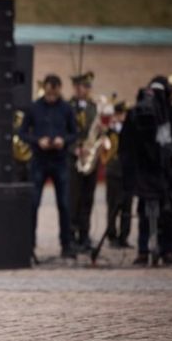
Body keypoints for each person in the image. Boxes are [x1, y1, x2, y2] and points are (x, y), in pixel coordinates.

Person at [19, 74, 77, 258]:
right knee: (34, 204)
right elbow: (22, 132)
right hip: (39, 161)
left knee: (64, 204)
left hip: (60, 160)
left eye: (54, 93)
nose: (51, 96)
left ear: (59, 89)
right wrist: (38, 141)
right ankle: (29, 247)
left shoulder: (67, 108)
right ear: (45, 89)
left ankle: (66, 246)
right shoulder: (34, 107)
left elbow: (75, 133)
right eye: (49, 92)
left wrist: (63, 140)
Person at [120, 77, 172, 266]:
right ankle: (144, 250)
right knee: (146, 212)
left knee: (166, 212)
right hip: (145, 171)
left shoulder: (170, 113)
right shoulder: (137, 113)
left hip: (163, 171)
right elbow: (126, 144)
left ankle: (165, 249)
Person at [68, 72, 99, 252]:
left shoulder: (94, 107)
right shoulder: (68, 107)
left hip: (91, 157)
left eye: (88, 87)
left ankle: (85, 235)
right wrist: (75, 148)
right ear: (75, 87)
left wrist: (93, 148)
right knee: (74, 198)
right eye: (82, 86)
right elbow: (66, 130)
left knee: (88, 198)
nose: (85, 90)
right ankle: (71, 235)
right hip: (74, 159)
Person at [102, 101, 132, 248]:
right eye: (120, 114)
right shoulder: (110, 131)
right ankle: (112, 235)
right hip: (114, 171)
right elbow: (105, 148)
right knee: (113, 205)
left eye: (124, 114)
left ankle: (124, 236)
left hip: (128, 172)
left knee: (127, 206)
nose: (123, 117)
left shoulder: (132, 130)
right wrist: (110, 128)